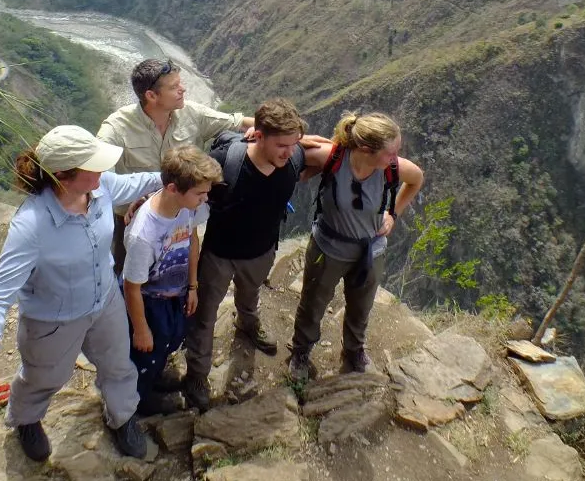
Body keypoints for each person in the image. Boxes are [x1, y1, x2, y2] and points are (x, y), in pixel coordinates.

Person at [0, 125, 163, 462]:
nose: (102, 170)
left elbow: (137, 183)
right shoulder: (32, 226)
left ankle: (122, 416)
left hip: (106, 302)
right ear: (62, 176)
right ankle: (26, 419)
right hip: (53, 320)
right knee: (43, 377)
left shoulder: (101, 188)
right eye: (93, 165)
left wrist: (178, 173)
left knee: (118, 365)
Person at [183, 98, 311, 411]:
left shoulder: (295, 157)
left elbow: (331, 149)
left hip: (262, 250)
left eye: (293, 144)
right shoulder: (225, 161)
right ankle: (197, 376)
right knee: (204, 317)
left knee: (250, 294)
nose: (288, 151)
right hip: (218, 254)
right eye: (282, 144)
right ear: (258, 135)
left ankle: (248, 325)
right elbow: (187, 191)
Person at [288, 111, 424, 381]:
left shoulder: (392, 169)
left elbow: (416, 179)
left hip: (370, 251)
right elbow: (289, 152)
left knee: (361, 306)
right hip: (328, 248)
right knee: (313, 303)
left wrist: (392, 214)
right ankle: (301, 352)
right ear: (365, 148)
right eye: (390, 152)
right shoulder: (334, 158)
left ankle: (353, 351)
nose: (394, 157)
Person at [97, 58, 255, 275]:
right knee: (128, 280)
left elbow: (237, 122)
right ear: (151, 96)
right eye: (174, 87)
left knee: (175, 280)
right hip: (132, 222)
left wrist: (287, 134)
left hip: (182, 216)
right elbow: (96, 175)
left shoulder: (192, 114)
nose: (183, 89)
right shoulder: (117, 127)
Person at [122, 145, 222, 415]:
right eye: (200, 193)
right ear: (173, 189)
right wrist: (141, 329)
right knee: (146, 349)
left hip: (176, 293)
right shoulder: (144, 234)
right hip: (150, 300)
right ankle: (139, 400)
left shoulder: (186, 207)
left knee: (171, 338)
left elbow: (191, 240)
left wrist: (192, 286)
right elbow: (132, 287)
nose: (205, 198)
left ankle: (155, 375)